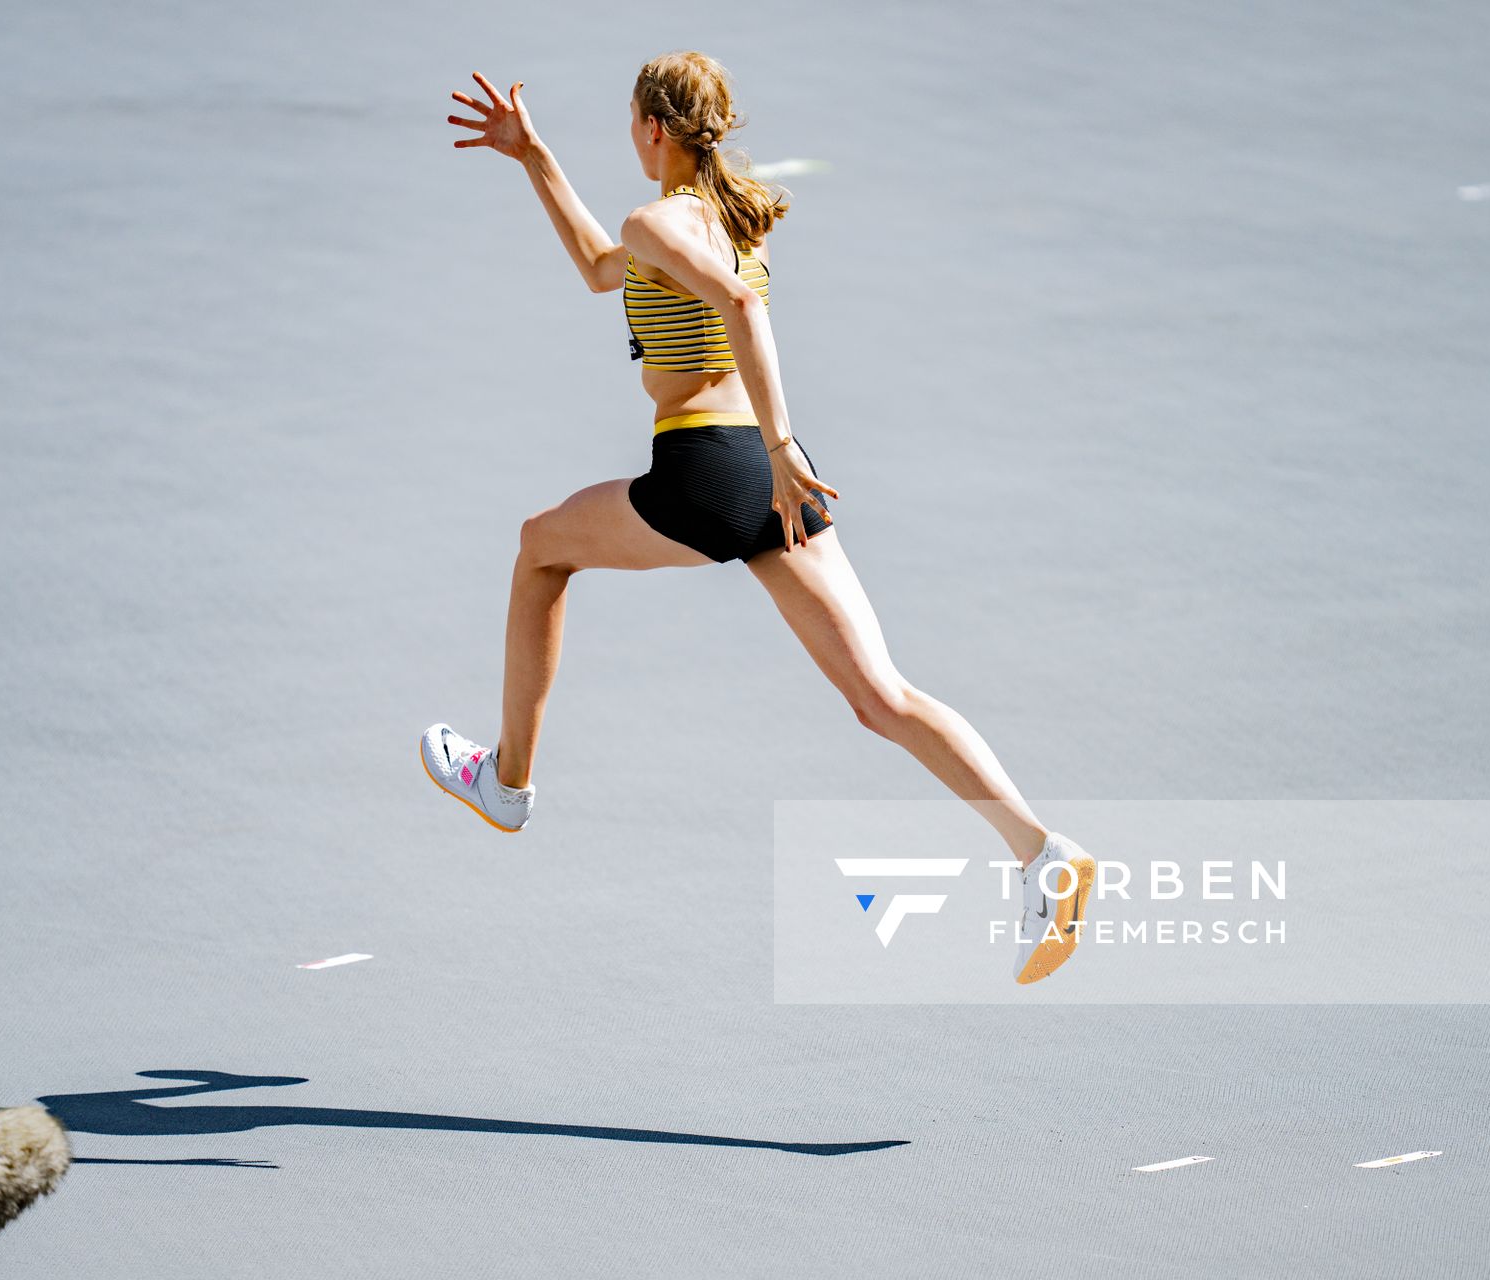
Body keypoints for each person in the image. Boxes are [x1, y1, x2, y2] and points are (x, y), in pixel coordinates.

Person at [428, 50, 1094, 985]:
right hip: (766, 479)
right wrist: (534, 156)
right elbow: (598, 271)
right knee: (882, 698)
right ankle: (1042, 853)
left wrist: (780, 451)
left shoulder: (656, 218)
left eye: (629, 121)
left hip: (713, 469)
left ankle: (507, 784)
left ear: (653, 128)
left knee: (541, 551)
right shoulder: (733, 219)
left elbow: (737, 305)